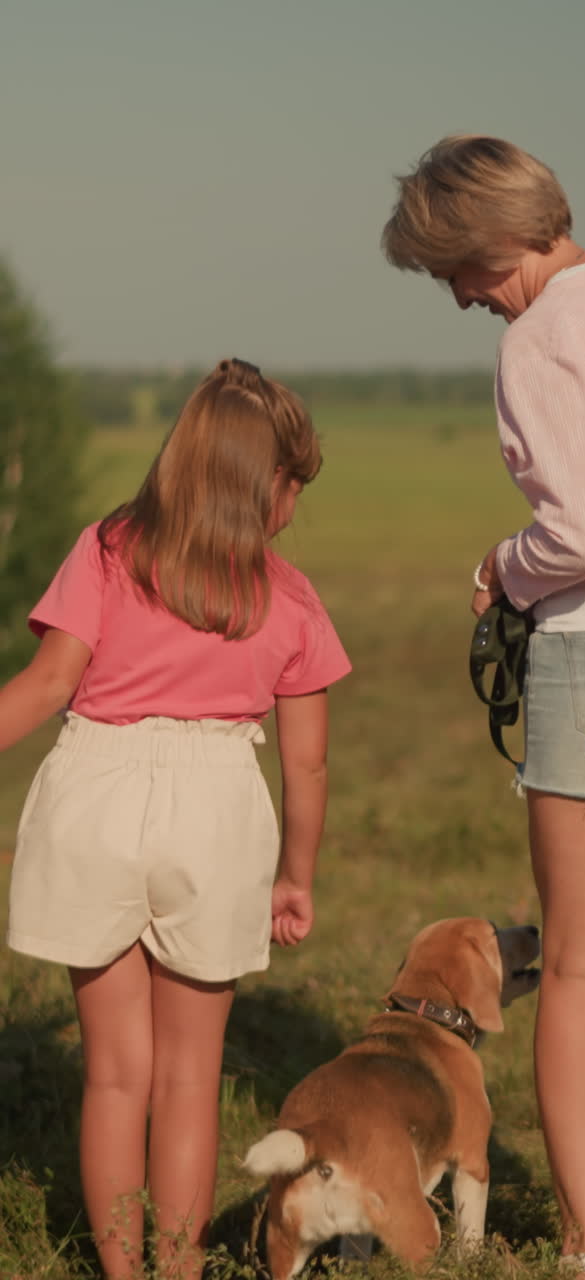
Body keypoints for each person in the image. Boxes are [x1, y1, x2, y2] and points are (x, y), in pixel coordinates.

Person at [382, 136, 585, 1279]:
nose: (463, 296)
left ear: (485, 242)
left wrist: (502, 569)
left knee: (580, 965)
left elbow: (576, 532)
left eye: (453, 271)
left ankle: (580, 1245)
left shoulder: (541, 336)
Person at [5, 358, 351, 1280]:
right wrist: (297, 873)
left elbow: (46, 685)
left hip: (95, 796)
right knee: (191, 1080)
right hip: (216, 812)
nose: (294, 506)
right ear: (260, 482)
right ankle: (180, 1273)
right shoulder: (291, 596)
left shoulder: (107, 551)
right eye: (293, 484)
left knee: (117, 1072)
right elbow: (306, 760)